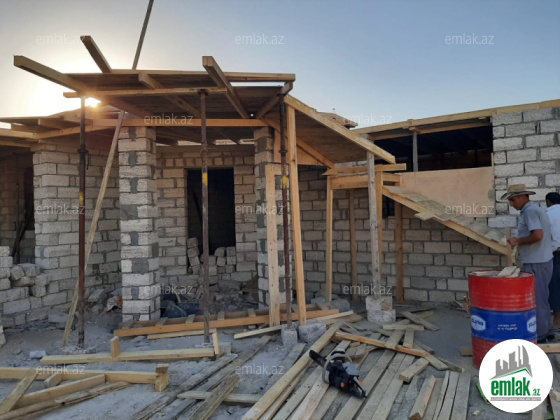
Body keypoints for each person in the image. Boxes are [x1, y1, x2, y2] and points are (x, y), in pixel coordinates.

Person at [503, 184, 554, 343]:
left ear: (522, 197)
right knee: (543, 297)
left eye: (513, 200)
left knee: (537, 299)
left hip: (536, 262)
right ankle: (548, 331)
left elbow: (537, 236)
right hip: (543, 260)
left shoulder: (530, 212)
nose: (511, 204)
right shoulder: (535, 209)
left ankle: (540, 335)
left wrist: (518, 241)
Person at [546, 192, 560, 329]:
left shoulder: (547, 215)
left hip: (556, 254)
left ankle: (557, 321)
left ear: (548, 202)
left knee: (555, 286)